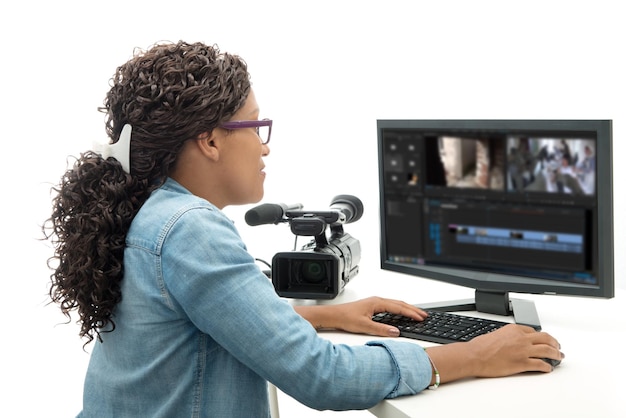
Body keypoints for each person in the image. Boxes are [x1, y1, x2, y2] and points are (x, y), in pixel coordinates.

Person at [43, 41, 564, 417]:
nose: (265, 146)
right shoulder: (189, 230)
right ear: (209, 140)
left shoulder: (152, 209)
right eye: (255, 126)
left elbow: (194, 319)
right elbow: (324, 379)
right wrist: (471, 356)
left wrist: (327, 316)